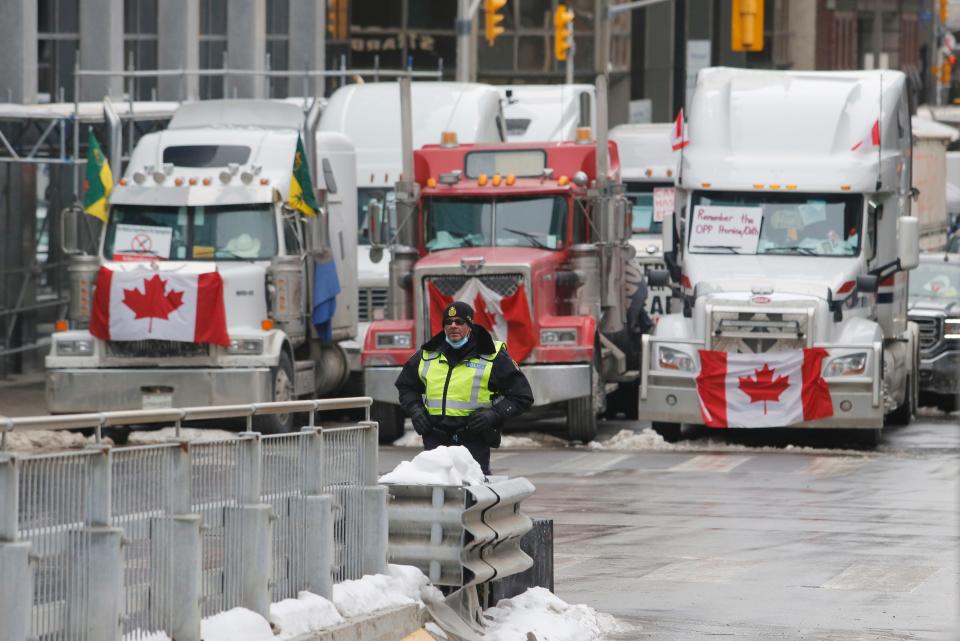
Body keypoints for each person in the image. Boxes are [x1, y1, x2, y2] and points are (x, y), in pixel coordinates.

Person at [394, 301, 533, 475]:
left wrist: (494, 415)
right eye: (448, 322)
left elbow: (522, 396)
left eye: (459, 322)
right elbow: (406, 386)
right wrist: (415, 410)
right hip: (435, 442)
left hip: (473, 443)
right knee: (436, 496)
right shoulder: (427, 355)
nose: (453, 326)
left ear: (470, 326)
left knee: (472, 498)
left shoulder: (492, 356)